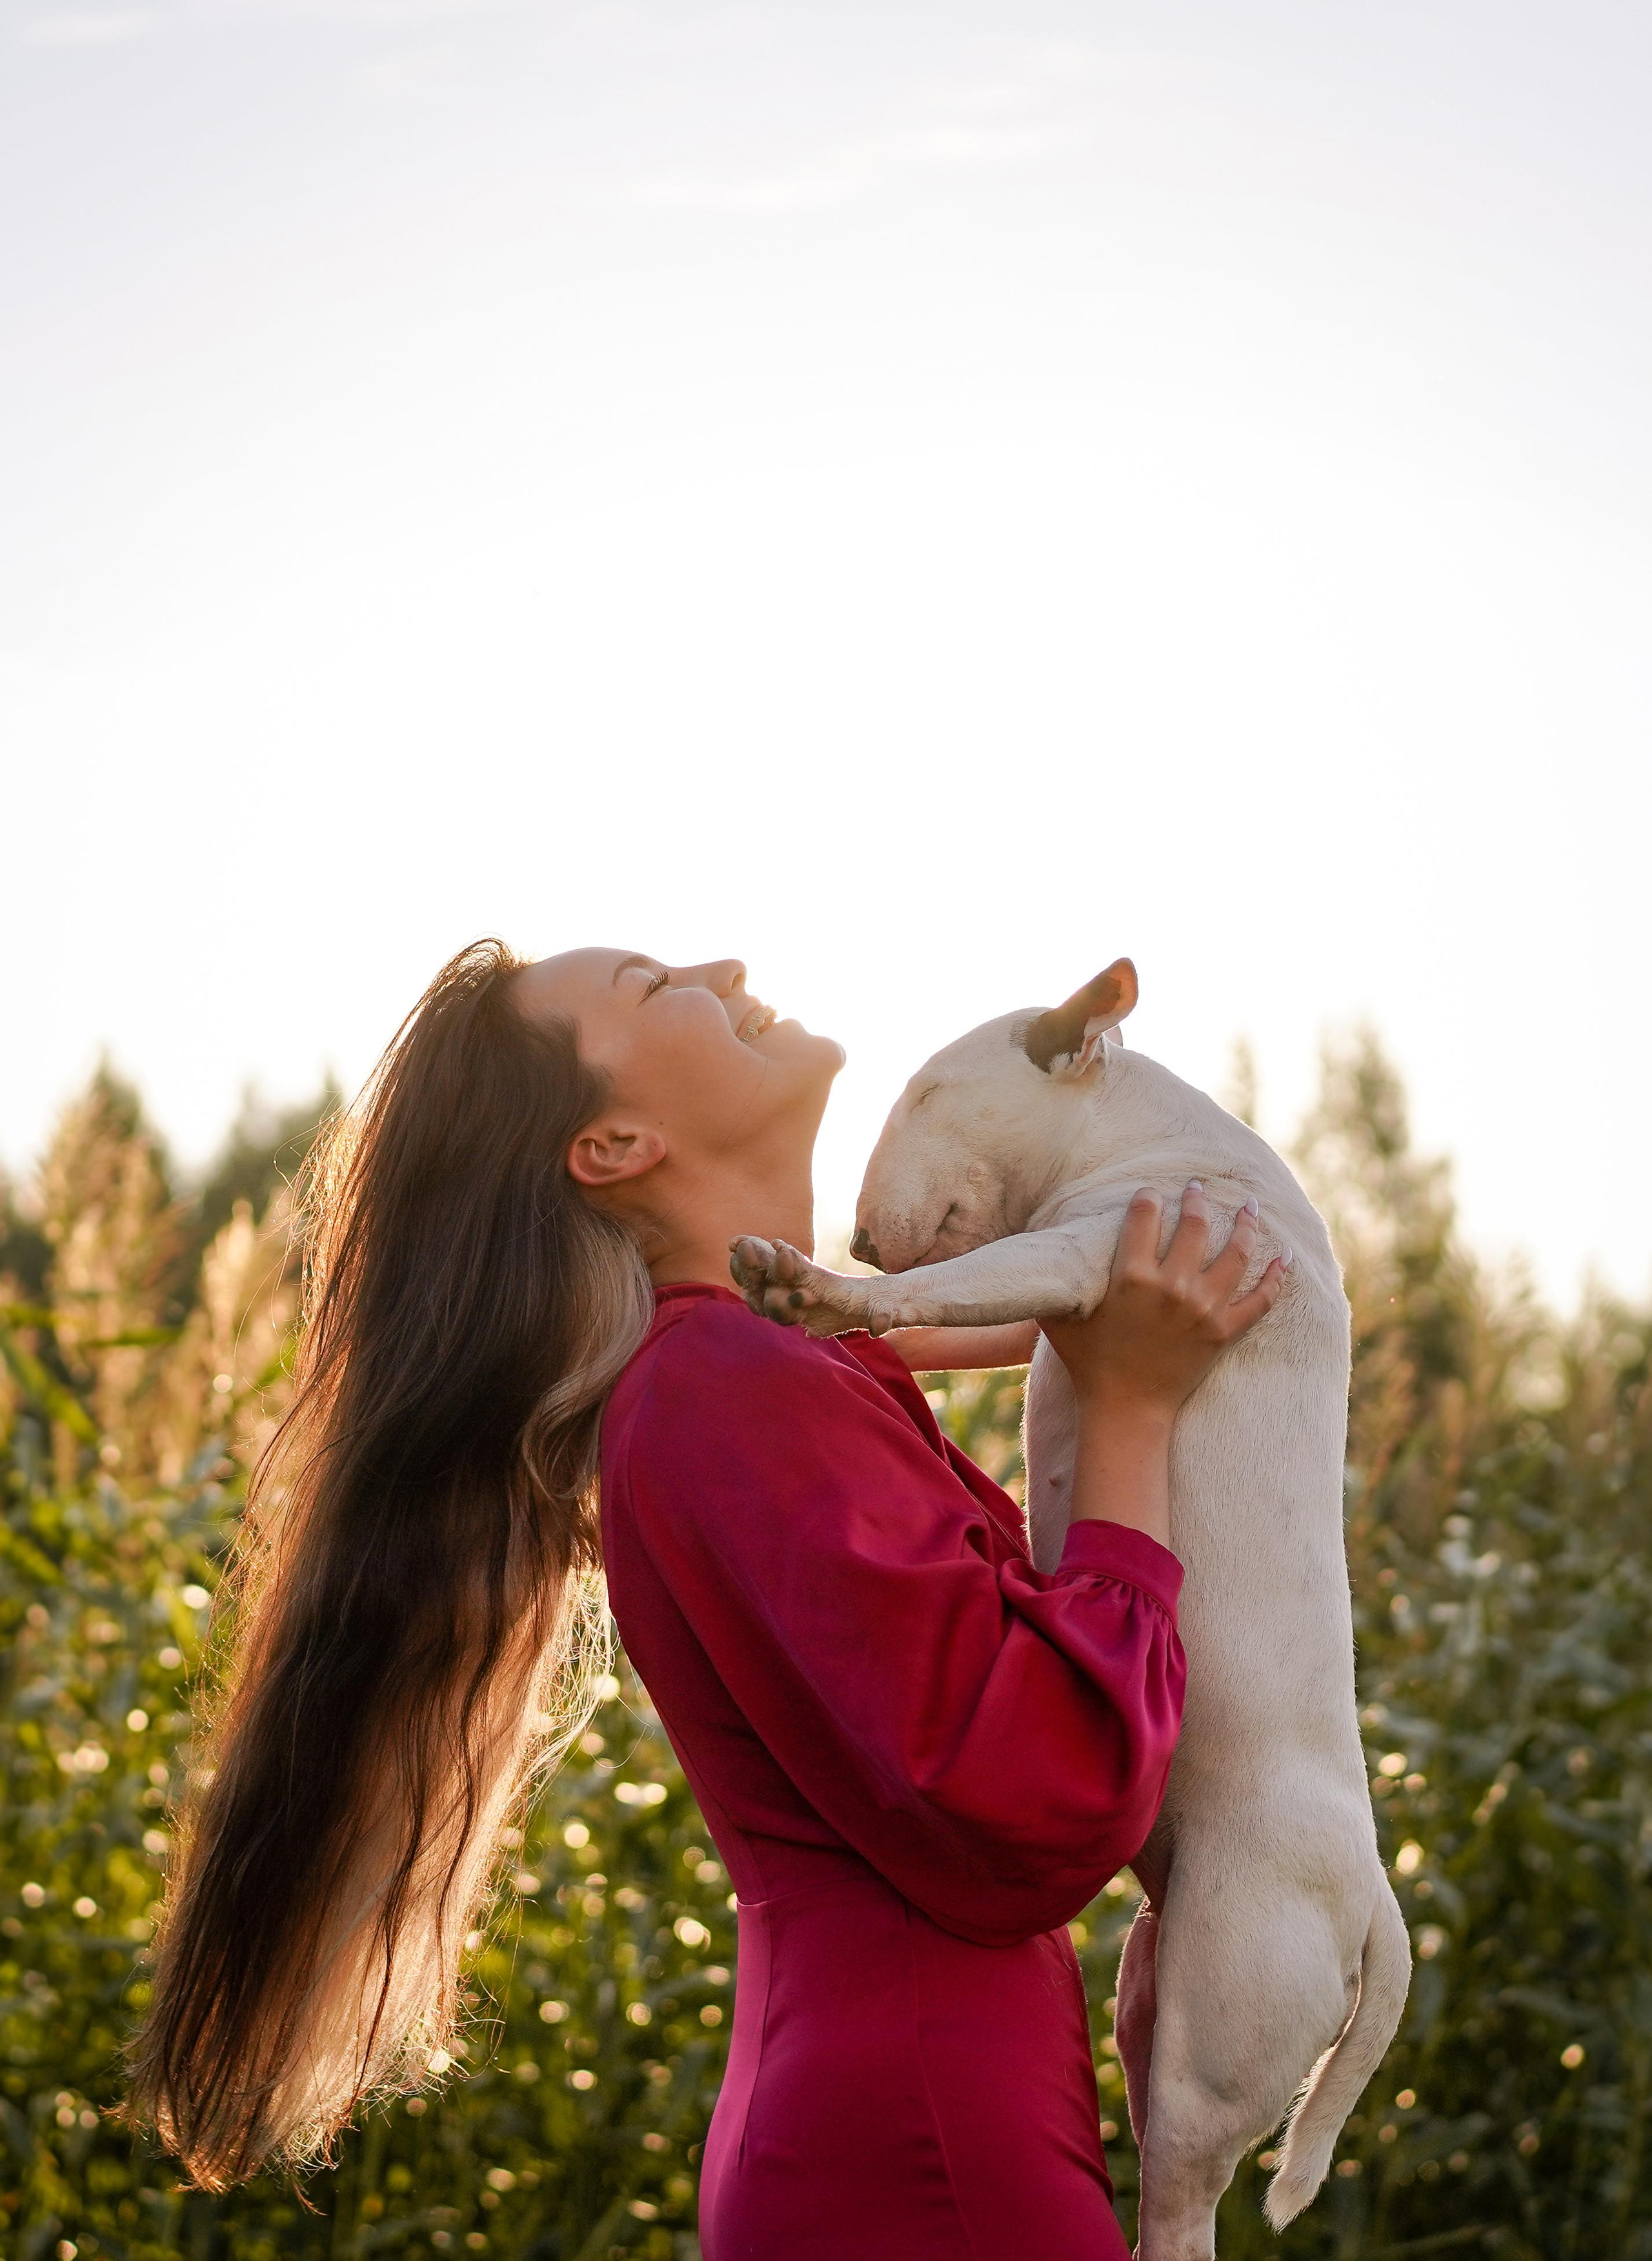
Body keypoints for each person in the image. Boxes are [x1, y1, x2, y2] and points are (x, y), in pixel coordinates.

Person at [129, 941, 1282, 2257]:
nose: (724, 967)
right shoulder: (727, 1384)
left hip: (905, 2127)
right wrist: (1130, 1411)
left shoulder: (745, 1369)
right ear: (613, 1142)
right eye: (647, 983)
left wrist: (1071, 1313)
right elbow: (1043, 1792)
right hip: (919, 2157)